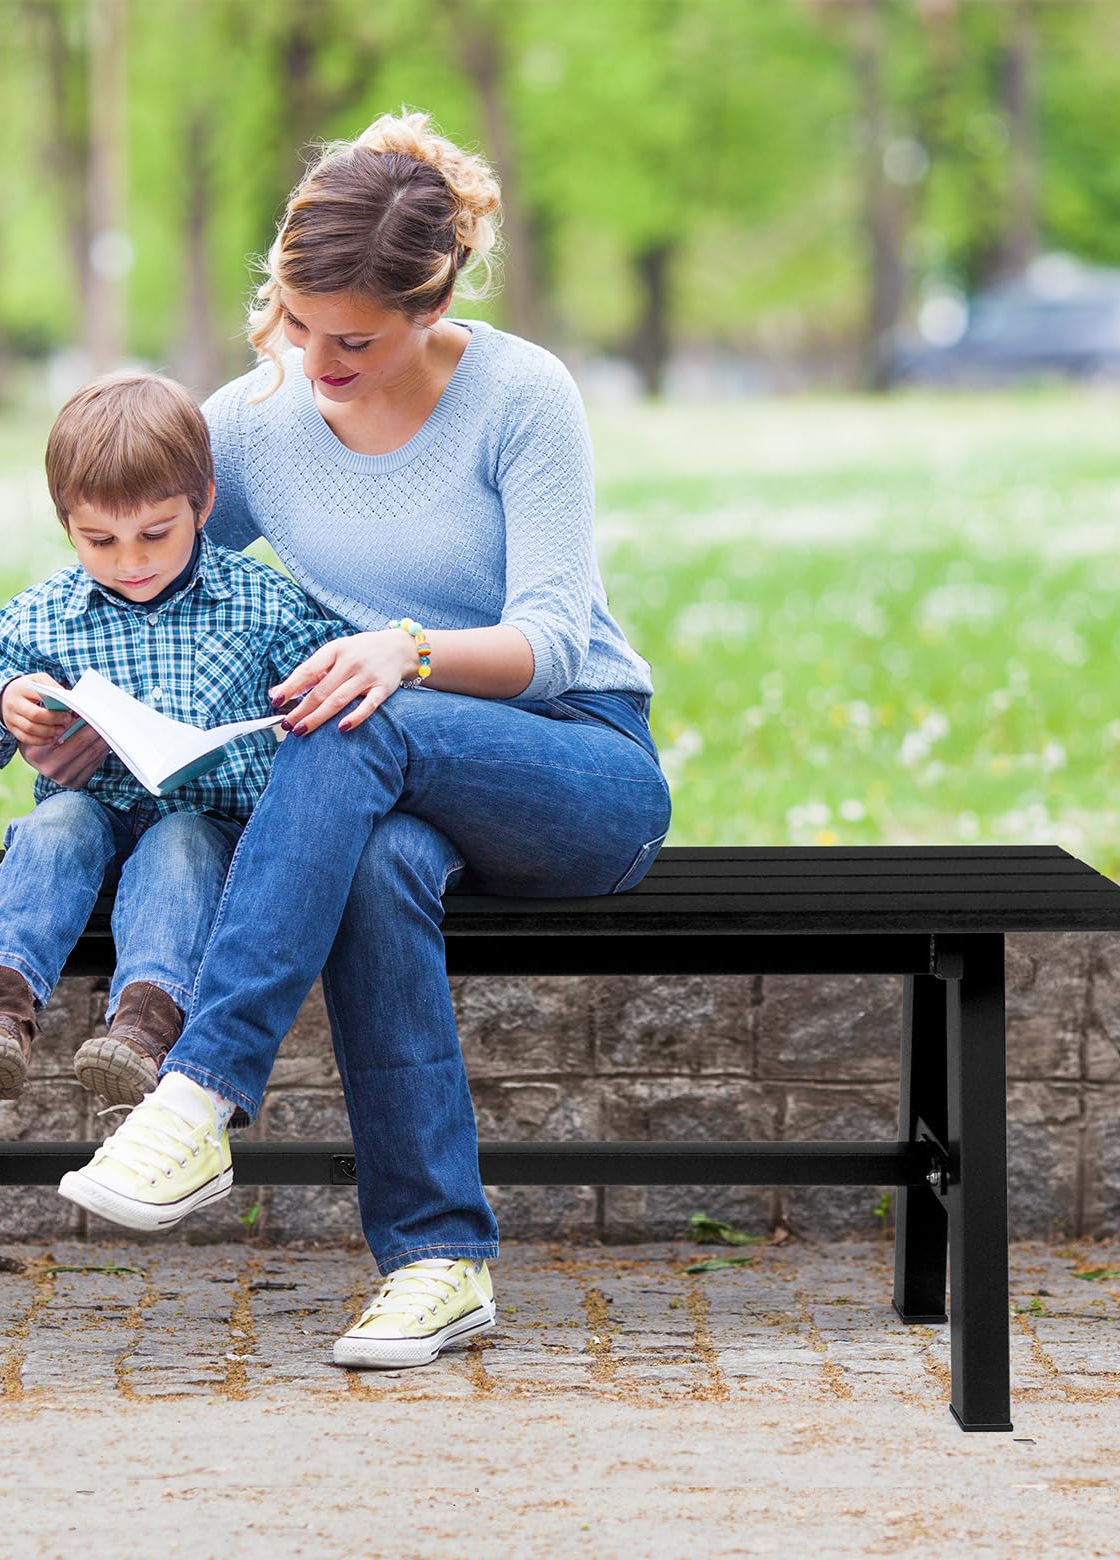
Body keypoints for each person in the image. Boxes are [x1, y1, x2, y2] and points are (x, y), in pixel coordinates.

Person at [43, 111, 672, 1369]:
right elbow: (141, 590)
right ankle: (439, 1262)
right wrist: (59, 705)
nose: (313, 356)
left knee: (351, 723)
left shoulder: (518, 395)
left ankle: (199, 1092)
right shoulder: (256, 424)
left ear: (431, 302)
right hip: (386, 785)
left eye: (354, 339)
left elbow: (550, 636)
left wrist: (405, 648)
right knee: (376, 857)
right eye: (290, 319)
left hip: (575, 766)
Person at [0, 372, 349, 1141]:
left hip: (205, 832)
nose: (130, 561)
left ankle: (144, 1029)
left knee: (183, 841)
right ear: (67, 525)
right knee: (57, 825)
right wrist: (6, 706)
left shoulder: (261, 602)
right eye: (100, 540)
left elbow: (324, 694)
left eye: (156, 533)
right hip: (90, 823)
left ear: (204, 504)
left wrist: (297, 718)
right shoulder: (43, 615)